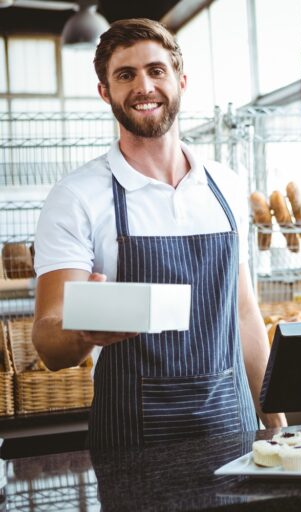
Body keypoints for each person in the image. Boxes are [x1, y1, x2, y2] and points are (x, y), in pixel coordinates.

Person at [32, 18, 285, 448]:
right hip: (133, 444)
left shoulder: (225, 185)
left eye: (156, 70)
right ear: (104, 92)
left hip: (235, 430)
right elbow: (47, 339)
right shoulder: (77, 196)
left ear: (181, 81)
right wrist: (82, 332)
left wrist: (276, 422)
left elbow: (243, 315)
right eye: (125, 75)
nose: (143, 86)